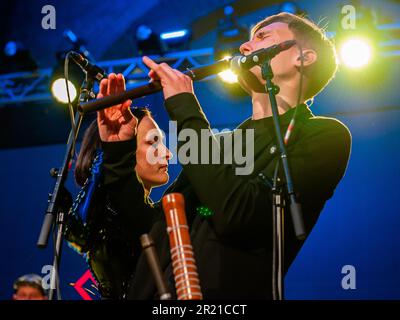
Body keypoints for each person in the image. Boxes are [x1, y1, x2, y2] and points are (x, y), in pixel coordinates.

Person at [94, 12, 352, 299]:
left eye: (263, 37)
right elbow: (154, 231)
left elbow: (237, 215)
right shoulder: (221, 145)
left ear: (303, 58)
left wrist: (183, 105)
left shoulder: (324, 136)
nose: (244, 46)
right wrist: (117, 152)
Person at [64, 73, 172, 299]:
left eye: (162, 141)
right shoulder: (106, 212)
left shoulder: (147, 213)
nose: (167, 153)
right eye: (153, 142)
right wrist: (115, 154)